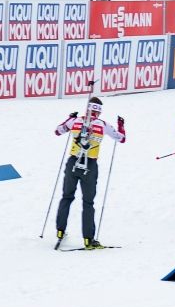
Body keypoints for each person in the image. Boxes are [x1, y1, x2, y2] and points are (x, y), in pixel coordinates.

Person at [53, 97, 126, 248]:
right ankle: (88, 239)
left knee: (66, 197)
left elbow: (58, 131)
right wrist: (121, 125)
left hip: (73, 163)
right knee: (88, 202)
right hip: (90, 165)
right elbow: (121, 138)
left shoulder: (75, 121)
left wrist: (70, 118)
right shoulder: (103, 124)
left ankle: (60, 231)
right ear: (98, 112)